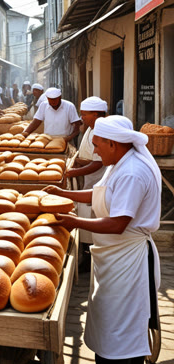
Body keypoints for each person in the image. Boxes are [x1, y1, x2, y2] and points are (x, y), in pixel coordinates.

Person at [45, 115, 161, 364]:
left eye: (98, 145)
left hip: (127, 257)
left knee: (119, 321)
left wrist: (74, 222)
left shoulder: (132, 172)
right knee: (122, 319)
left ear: (113, 143)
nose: (95, 151)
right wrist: (64, 193)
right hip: (115, 255)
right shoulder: (119, 164)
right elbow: (101, 197)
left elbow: (118, 222)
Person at [65, 96, 107, 271]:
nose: (81, 117)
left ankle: (90, 260)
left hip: (97, 182)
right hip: (88, 182)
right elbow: (89, 156)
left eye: (84, 114)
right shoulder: (90, 128)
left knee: (92, 219)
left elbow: (98, 163)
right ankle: (86, 255)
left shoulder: (101, 132)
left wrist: (74, 171)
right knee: (85, 216)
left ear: (96, 114)